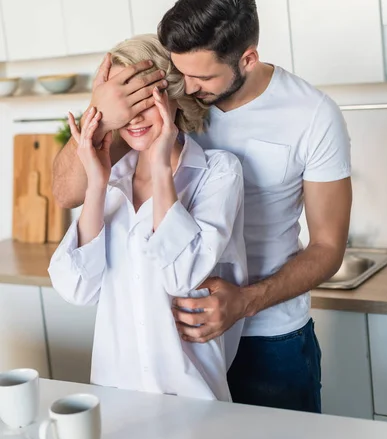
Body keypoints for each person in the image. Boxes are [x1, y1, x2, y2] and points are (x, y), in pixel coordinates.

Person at [53, 0, 352, 414]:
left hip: (269, 334)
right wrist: (98, 111)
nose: (187, 88)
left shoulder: (312, 115)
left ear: (247, 58)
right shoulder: (168, 104)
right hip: (176, 341)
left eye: (201, 77)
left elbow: (328, 247)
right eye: (180, 74)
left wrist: (244, 301)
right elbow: (68, 191)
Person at [49, 34, 247, 401]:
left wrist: (159, 166)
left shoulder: (218, 173)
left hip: (194, 401)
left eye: (148, 101)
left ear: (174, 97)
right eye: (126, 107)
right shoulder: (112, 180)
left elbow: (180, 274)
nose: (135, 117)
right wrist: (95, 186)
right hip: (117, 399)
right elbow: (76, 288)